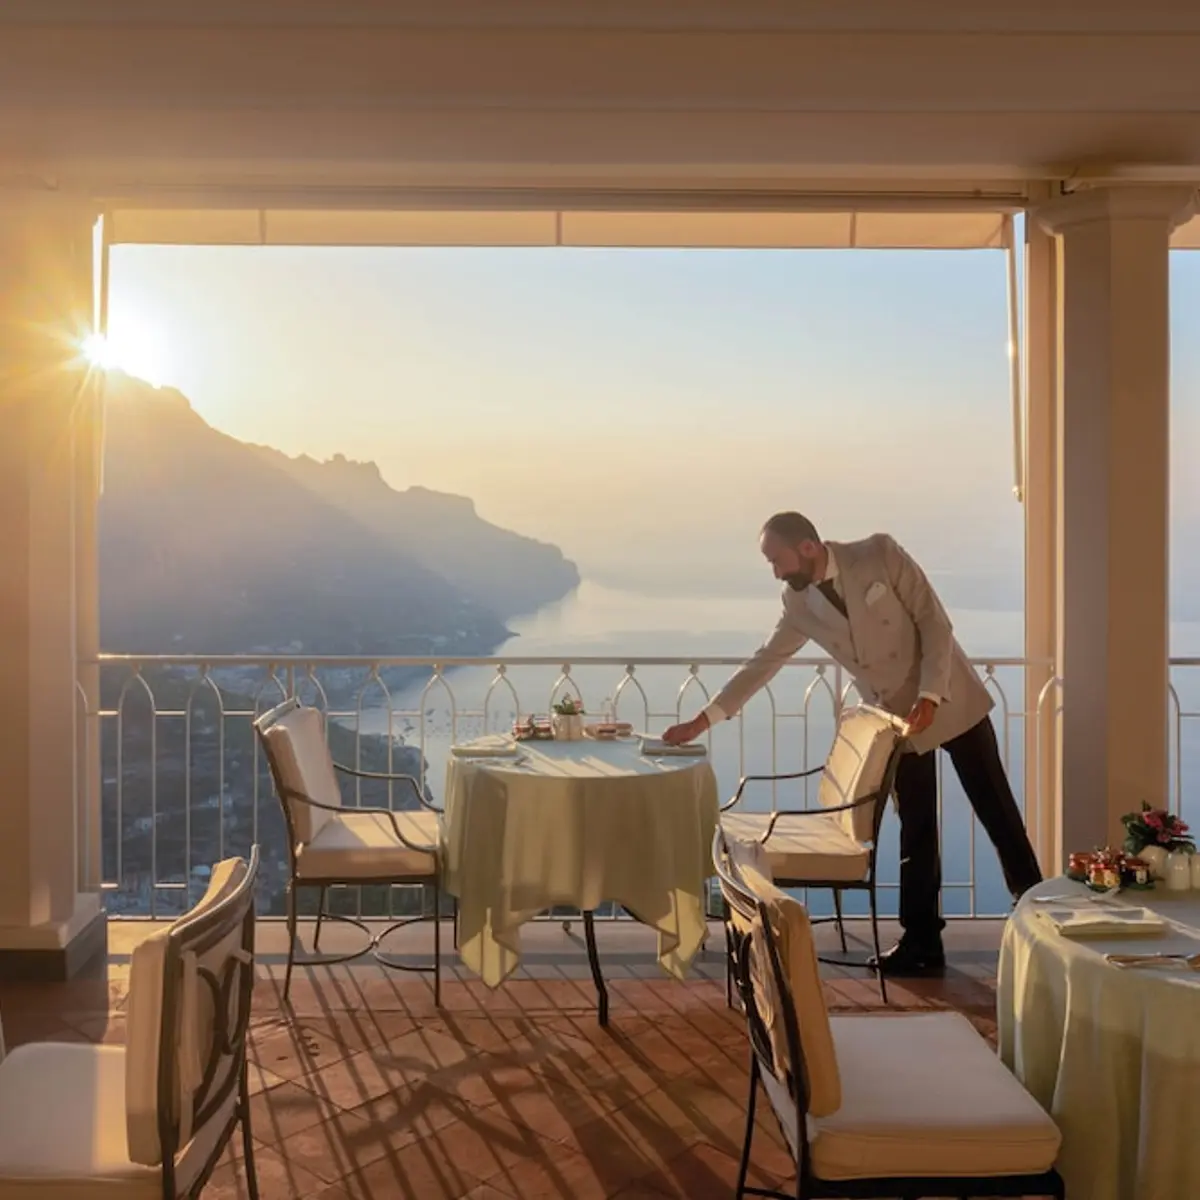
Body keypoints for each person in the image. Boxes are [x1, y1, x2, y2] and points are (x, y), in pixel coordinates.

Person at [662, 511, 1043, 976]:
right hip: (897, 722)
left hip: (950, 698)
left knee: (998, 813)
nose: (776, 572)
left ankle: (1040, 923)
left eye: (777, 559)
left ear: (807, 547)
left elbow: (934, 623)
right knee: (916, 832)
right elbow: (764, 662)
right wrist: (704, 720)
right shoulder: (797, 602)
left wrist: (930, 695)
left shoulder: (879, 553)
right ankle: (922, 942)